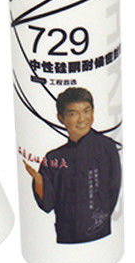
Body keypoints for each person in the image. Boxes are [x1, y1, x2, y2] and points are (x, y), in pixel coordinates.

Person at [23, 87, 121, 244]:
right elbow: (47, 205)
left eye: (86, 111)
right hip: (66, 235)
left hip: (100, 233)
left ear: (93, 112)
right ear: (61, 118)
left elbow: (114, 187)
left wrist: (100, 218)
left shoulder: (106, 147)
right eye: (73, 114)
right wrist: (39, 181)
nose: (82, 119)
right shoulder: (54, 158)